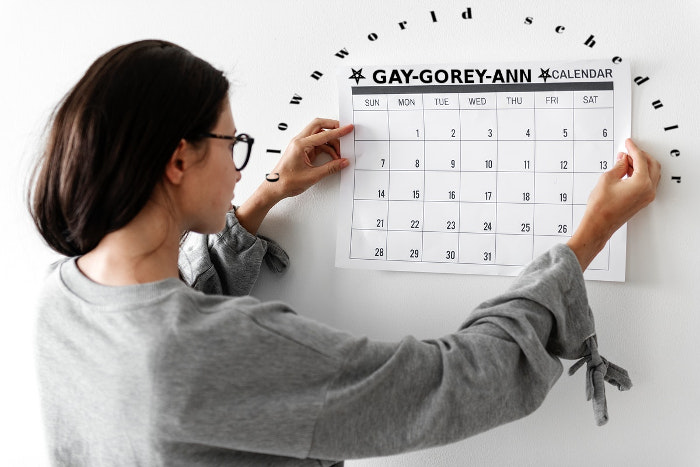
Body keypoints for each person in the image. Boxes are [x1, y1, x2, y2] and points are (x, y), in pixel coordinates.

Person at [28, 39, 660, 466]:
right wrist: (590, 236)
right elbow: (457, 383)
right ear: (177, 160)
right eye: (232, 143)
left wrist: (264, 196)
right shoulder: (217, 348)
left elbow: (171, 317)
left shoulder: (65, 296)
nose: (239, 163)